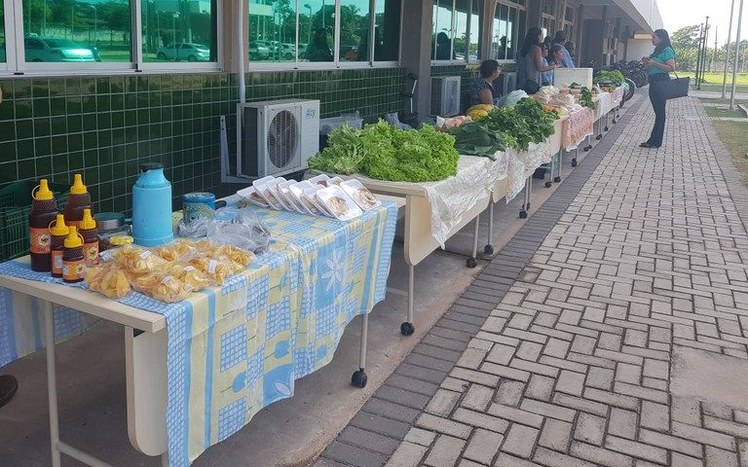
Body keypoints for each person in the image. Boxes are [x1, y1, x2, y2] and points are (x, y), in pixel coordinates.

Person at [640, 29, 676, 149]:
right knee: (658, 113)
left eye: (654, 37)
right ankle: (653, 140)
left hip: (661, 82)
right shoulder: (658, 50)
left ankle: (655, 141)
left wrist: (654, 63)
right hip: (654, 82)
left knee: (660, 113)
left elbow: (671, 67)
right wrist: (648, 62)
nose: (652, 39)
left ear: (661, 38)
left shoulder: (667, 50)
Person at [518, 27, 558, 94]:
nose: (542, 37)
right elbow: (540, 68)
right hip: (532, 82)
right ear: (537, 36)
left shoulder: (521, 49)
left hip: (521, 82)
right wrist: (554, 66)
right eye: (541, 35)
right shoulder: (536, 49)